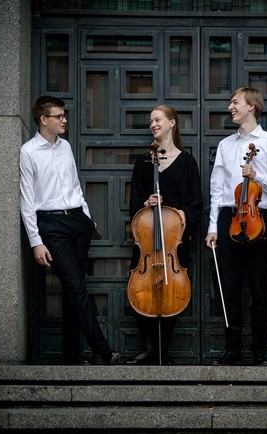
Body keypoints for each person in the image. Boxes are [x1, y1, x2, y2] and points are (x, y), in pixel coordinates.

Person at [20, 95, 120, 365]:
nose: (64, 120)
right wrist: (35, 241)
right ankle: (103, 349)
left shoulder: (65, 147)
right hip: (51, 226)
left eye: (64, 116)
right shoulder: (28, 152)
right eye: (58, 116)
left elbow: (74, 185)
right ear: (44, 120)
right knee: (75, 286)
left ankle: (72, 355)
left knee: (72, 289)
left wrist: (86, 218)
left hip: (77, 222)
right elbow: (27, 200)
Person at [205, 87, 267, 366]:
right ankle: (232, 350)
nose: (230, 107)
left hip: (259, 221)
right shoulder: (226, 145)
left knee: (258, 290)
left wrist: (257, 175)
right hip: (229, 219)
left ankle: (259, 352)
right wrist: (212, 226)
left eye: (235, 102)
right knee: (229, 289)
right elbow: (217, 189)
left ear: (251, 106)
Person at [127, 104, 203, 365]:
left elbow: (196, 205)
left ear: (172, 123)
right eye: (150, 121)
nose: (153, 124)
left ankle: (163, 350)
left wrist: (183, 213)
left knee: (174, 291)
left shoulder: (187, 161)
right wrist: (146, 203)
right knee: (139, 288)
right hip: (147, 238)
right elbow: (133, 203)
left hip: (173, 239)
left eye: (157, 120)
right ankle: (149, 348)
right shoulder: (143, 162)